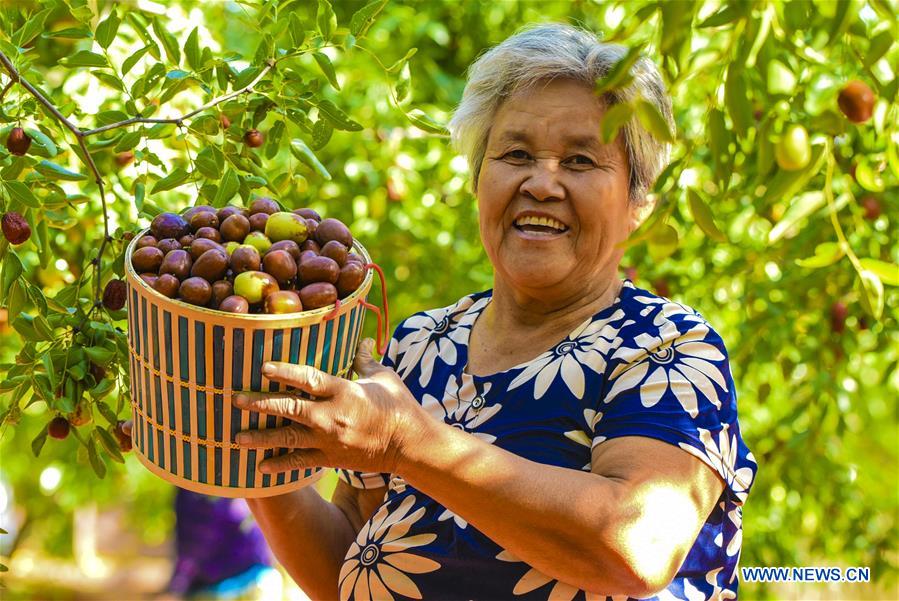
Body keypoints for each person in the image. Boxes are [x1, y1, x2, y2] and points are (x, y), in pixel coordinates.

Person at [235, 23, 756, 600]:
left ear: (638, 203)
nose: (542, 182)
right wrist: (254, 452)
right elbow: (353, 562)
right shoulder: (419, 346)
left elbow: (637, 547)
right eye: (515, 154)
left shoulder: (667, 349)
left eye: (580, 160)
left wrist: (408, 442)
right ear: (479, 180)